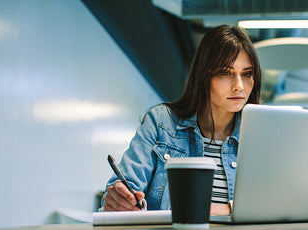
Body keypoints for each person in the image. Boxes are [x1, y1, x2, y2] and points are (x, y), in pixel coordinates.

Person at [101, 25, 262, 215]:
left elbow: (273, 202)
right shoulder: (161, 123)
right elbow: (124, 190)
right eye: (225, 73)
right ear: (204, 76)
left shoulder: (260, 135)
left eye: (247, 74)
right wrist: (118, 198)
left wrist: (218, 209)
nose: (239, 86)